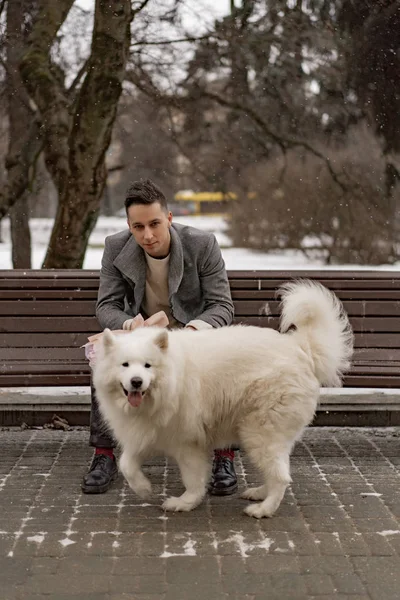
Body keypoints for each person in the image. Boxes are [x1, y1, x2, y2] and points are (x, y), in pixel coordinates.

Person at [81, 178, 238, 496]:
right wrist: (130, 327)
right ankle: (104, 455)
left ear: (168, 218)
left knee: (224, 369)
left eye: (154, 223)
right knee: (106, 362)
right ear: (129, 225)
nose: (147, 235)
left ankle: (224, 454)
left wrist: (191, 331)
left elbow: (222, 305)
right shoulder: (116, 247)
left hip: (192, 333)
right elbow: (107, 305)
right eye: (138, 227)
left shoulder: (201, 244)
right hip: (142, 337)